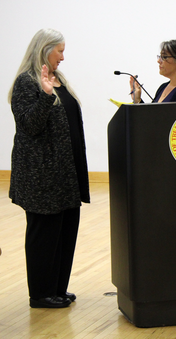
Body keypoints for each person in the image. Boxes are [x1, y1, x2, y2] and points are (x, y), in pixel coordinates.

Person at [8, 29, 90, 308]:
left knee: (66, 230)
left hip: (65, 173)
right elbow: (29, 125)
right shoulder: (26, 83)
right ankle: (41, 293)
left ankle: (57, 288)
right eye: (60, 51)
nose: (63, 57)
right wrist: (44, 96)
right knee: (44, 234)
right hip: (41, 175)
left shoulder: (60, 80)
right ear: (44, 50)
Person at [129, 39, 176, 103]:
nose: (159, 61)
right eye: (160, 57)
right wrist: (137, 100)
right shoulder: (163, 87)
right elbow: (153, 117)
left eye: (164, 57)